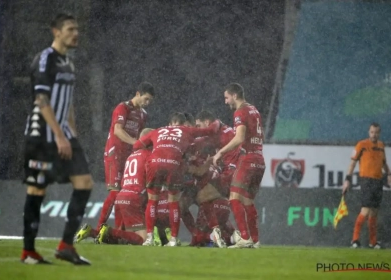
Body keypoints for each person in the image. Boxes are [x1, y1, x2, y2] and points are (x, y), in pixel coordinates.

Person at [21, 13, 92, 265]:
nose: (76, 33)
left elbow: (68, 103)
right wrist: (60, 135)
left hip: (64, 134)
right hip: (42, 135)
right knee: (38, 189)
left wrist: (72, 133)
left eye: (77, 29)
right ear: (56, 32)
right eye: (71, 29)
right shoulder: (45, 59)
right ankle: (28, 251)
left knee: (84, 183)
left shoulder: (68, 63)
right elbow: (41, 100)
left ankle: (66, 246)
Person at [75, 82, 154, 241]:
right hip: (115, 153)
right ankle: (98, 229)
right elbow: (118, 130)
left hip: (129, 156)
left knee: (124, 193)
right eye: (145, 99)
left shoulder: (143, 115)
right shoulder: (122, 108)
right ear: (137, 94)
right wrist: (136, 144)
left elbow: (140, 135)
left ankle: (117, 231)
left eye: (150, 101)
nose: (147, 103)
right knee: (115, 192)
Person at [133, 112, 220, 246]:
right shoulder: (186, 130)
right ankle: (173, 239)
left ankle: (149, 238)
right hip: (174, 165)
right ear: (182, 124)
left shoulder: (158, 130)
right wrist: (217, 123)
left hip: (155, 163)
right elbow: (210, 131)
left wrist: (156, 147)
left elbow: (136, 145)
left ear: (170, 123)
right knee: (174, 202)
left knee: (152, 201)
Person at [213, 83, 265, 249]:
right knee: (248, 201)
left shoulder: (240, 111)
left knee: (234, 198)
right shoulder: (254, 109)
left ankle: (244, 237)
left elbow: (239, 137)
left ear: (234, 96)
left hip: (248, 158)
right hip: (259, 159)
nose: (226, 102)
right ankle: (255, 240)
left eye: (227, 97)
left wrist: (220, 152)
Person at [95, 128, 153, 245]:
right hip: (134, 198)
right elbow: (150, 179)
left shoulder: (131, 156)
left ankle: (93, 232)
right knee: (143, 239)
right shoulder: (149, 155)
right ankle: (109, 231)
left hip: (122, 196)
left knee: (127, 237)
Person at [342, 123, 391, 249]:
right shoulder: (362, 145)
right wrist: (347, 179)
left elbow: (384, 163)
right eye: (372, 132)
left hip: (378, 180)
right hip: (366, 181)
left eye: (376, 132)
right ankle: (354, 240)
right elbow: (352, 163)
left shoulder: (381, 146)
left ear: (379, 133)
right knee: (365, 210)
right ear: (368, 132)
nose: (374, 134)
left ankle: (373, 242)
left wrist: (390, 174)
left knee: (374, 212)